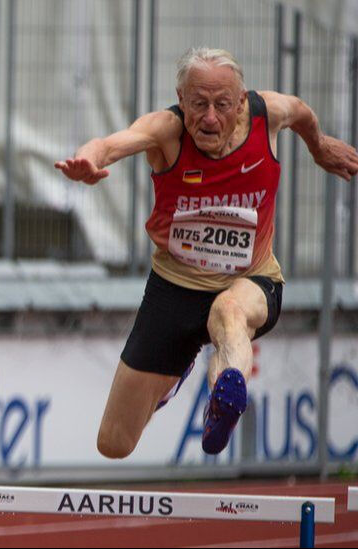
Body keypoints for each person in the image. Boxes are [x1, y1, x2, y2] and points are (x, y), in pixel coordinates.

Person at [55, 47, 358, 459]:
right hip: (175, 289)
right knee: (114, 444)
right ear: (181, 100)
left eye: (221, 105)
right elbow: (111, 143)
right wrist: (88, 160)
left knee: (227, 314)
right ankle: (177, 375)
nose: (210, 118)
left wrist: (319, 147)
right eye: (198, 104)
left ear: (241, 103)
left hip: (250, 280)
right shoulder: (167, 131)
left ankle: (226, 396)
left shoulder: (267, 114)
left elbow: (302, 112)